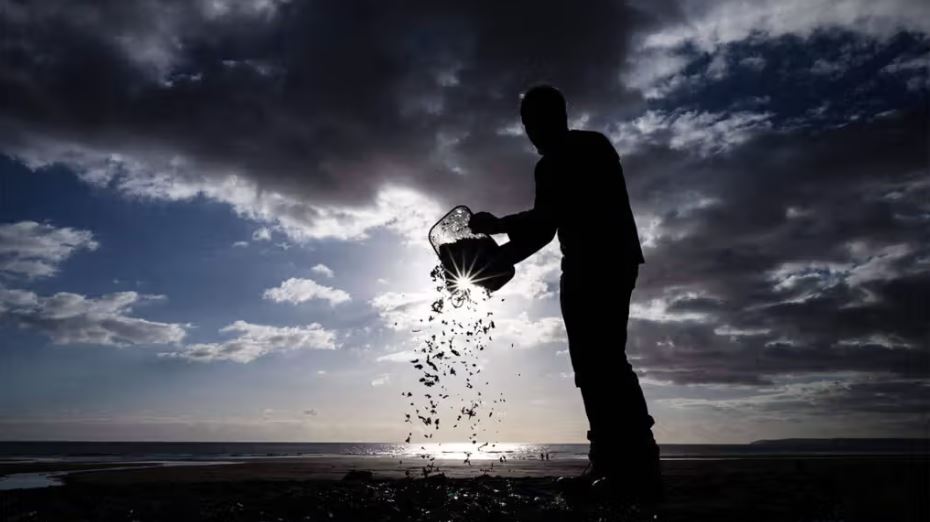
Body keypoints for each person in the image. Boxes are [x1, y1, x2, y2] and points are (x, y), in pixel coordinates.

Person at [469, 85, 661, 501]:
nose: (532, 131)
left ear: (558, 116)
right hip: (589, 264)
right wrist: (497, 259)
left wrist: (499, 226)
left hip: (603, 263)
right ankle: (611, 462)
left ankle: (633, 464)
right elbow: (545, 229)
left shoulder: (584, 149)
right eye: (527, 124)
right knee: (594, 365)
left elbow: (549, 216)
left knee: (603, 361)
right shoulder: (562, 159)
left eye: (537, 121)